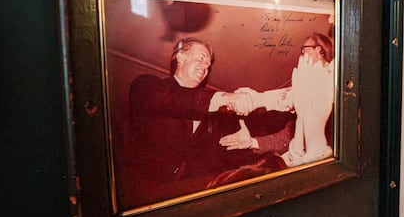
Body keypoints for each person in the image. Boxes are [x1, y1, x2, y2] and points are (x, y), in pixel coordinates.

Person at [119, 37, 286, 208]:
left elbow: (226, 157)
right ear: (180, 57)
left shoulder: (212, 118)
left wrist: (254, 145)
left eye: (208, 65)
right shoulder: (147, 85)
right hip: (144, 195)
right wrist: (224, 98)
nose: (206, 67)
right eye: (201, 58)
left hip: (189, 201)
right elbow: (173, 99)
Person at [220, 33, 335, 167]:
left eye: (304, 49)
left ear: (318, 49)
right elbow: (285, 139)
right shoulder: (305, 89)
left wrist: (256, 99)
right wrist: (252, 142)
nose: (301, 54)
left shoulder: (334, 76)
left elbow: (300, 96)